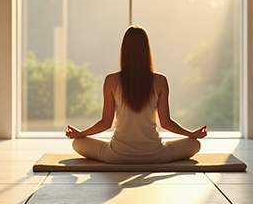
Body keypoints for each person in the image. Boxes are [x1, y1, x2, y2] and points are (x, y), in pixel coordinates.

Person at [65, 26, 207, 164]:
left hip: (117, 155)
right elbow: (166, 123)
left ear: (124, 51)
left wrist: (81, 134)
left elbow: (105, 123)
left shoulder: (111, 80)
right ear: (147, 50)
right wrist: (191, 134)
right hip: (155, 155)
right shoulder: (160, 81)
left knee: (78, 143)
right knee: (194, 144)